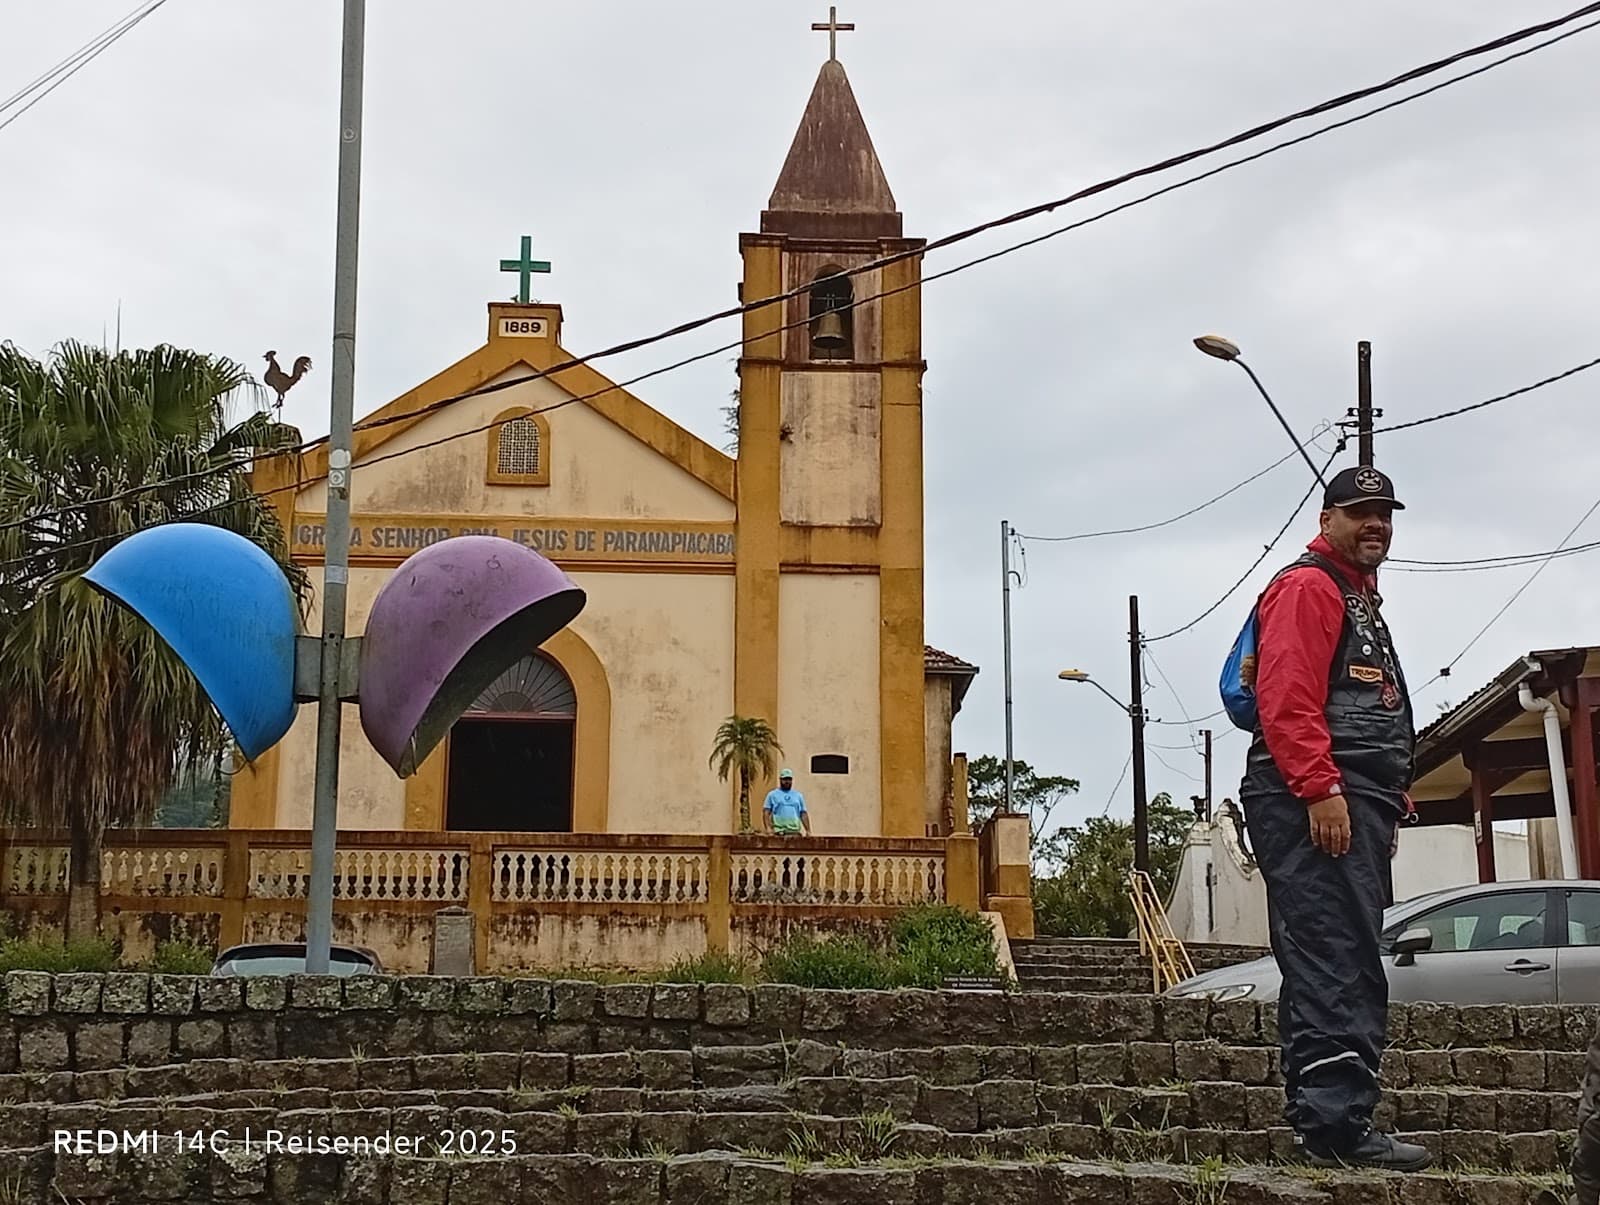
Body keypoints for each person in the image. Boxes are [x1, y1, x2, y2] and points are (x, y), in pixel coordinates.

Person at [1238, 465, 1430, 1173]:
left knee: (1342, 950)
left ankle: (1335, 1116)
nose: (1375, 523)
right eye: (1359, 512)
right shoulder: (1309, 588)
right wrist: (1321, 787)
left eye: (1384, 512)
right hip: (1313, 799)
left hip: (1351, 796)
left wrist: (1388, 793)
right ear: (1327, 520)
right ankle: (1334, 1125)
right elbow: (1286, 697)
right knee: (1334, 955)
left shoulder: (1357, 599)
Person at [762, 769, 811, 836]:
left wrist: (808, 830)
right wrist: (768, 828)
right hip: (779, 832)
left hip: (794, 832)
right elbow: (766, 812)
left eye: (789, 779)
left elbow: (803, 814)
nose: (787, 781)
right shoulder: (772, 795)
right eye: (785, 779)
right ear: (780, 780)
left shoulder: (798, 795)